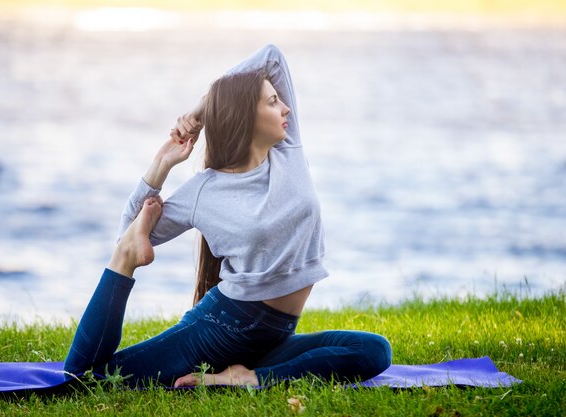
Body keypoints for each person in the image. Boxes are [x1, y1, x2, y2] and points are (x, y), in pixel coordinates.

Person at [63, 44, 392, 388]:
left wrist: (201, 110)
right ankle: (123, 264)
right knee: (87, 378)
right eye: (272, 102)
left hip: (272, 336)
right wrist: (160, 166)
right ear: (245, 115)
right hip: (222, 328)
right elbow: (132, 231)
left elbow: (271, 56)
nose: (287, 109)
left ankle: (245, 379)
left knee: (372, 350)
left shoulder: (288, 152)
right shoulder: (206, 190)